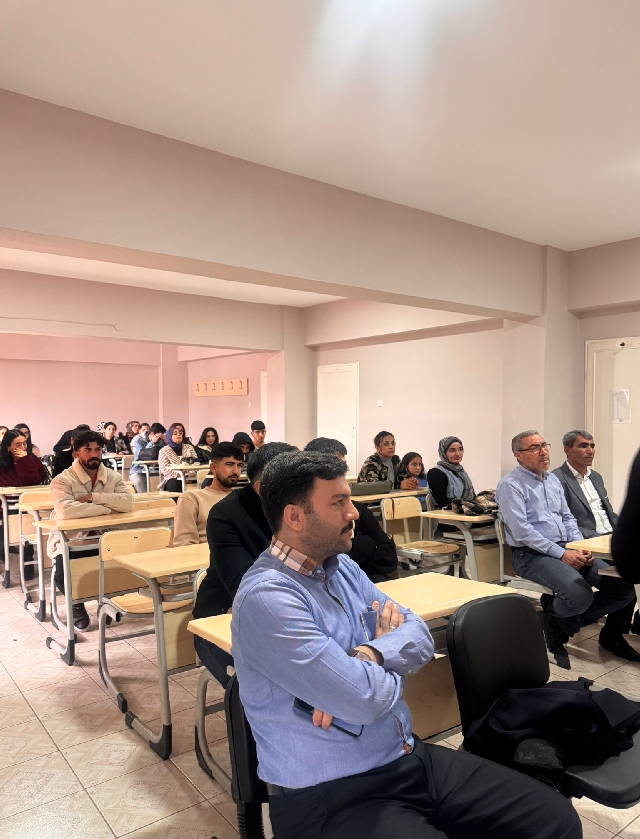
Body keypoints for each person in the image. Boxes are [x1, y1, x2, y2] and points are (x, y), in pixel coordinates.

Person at [231, 451, 581, 839]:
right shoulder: (268, 598)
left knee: (554, 821)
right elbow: (366, 700)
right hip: (333, 794)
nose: (354, 512)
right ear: (295, 517)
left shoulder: (342, 567)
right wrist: (373, 673)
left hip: (406, 757)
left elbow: (418, 633)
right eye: (338, 502)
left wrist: (370, 653)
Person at [496, 430, 637, 668]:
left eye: (544, 445)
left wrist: (578, 547)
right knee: (579, 596)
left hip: (566, 548)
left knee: (623, 588)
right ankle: (554, 612)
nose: (543, 452)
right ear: (518, 455)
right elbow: (522, 532)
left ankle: (555, 620)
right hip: (531, 554)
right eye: (534, 448)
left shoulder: (551, 480)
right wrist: (562, 554)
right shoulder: (511, 485)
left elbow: (568, 518)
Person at [192, 442, 297, 686]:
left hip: (288, 613)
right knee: (262, 686)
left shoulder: (299, 508)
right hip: (220, 618)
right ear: (262, 487)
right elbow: (246, 589)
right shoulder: (225, 515)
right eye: (296, 483)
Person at [48, 430, 134, 631]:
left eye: (98, 449)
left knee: (119, 562)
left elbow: (128, 503)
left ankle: (105, 600)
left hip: (105, 537)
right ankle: (76, 602)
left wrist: (94, 498)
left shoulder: (112, 477)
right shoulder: (62, 480)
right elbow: (65, 511)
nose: (94, 454)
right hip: (72, 540)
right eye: (87, 450)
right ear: (76, 453)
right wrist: (108, 509)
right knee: (64, 570)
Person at [305, 438, 398, 582]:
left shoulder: (358, 510)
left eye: (344, 467)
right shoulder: (308, 515)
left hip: (369, 583)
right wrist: (367, 544)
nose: (341, 474)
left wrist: (356, 564)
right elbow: (325, 564)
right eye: (335, 468)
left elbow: (389, 556)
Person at [173, 442, 244, 547]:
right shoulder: (192, 499)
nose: (236, 471)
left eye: (239, 465)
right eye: (229, 464)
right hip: (205, 556)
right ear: (213, 468)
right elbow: (185, 545)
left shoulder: (243, 499)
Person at [0, 430, 48, 582]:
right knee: (10, 534)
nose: (22, 447)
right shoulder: (2, 463)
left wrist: (24, 461)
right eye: (17, 445)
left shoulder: (30, 458)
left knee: (28, 529)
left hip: (29, 505)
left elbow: (35, 480)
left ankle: (28, 564)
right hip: (8, 507)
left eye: (24, 443)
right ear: (8, 447)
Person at [613, 447, 640, 585]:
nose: (590, 451)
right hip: (564, 547)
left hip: (627, 557)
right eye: (583, 446)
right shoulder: (560, 478)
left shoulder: (595, 478)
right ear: (567, 450)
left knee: (622, 587)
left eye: (592, 446)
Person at [426, 437, 476, 508]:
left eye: (460, 449)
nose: (458, 454)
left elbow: (472, 497)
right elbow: (442, 501)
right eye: (452, 451)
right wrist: (467, 504)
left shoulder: (461, 472)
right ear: (443, 452)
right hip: (447, 513)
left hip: (466, 511)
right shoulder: (436, 473)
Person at [157, 423, 198, 492]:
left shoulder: (189, 448)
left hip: (190, 477)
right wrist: (182, 476)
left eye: (180, 433)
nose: (179, 435)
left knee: (204, 482)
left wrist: (190, 476)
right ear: (170, 436)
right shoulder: (163, 451)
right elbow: (164, 469)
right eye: (175, 433)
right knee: (175, 485)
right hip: (172, 478)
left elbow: (196, 462)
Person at [129, 423, 165, 493]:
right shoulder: (138, 439)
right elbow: (140, 455)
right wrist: (152, 443)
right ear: (152, 434)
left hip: (155, 470)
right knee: (139, 481)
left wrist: (165, 442)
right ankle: (144, 499)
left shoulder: (160, 440)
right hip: (138, 470)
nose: (159, 438)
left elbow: (164, 452)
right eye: (159, 436)